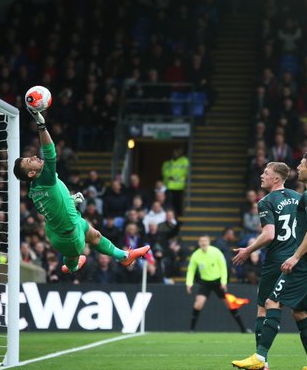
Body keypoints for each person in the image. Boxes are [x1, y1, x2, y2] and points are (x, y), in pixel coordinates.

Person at [232, 152, 307, 370]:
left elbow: (275, 233)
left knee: (269, 303)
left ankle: (260, 359)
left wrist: (250, 250)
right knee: (303, 310)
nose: (261, 176)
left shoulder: (272, 201)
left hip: (291, 259)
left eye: (266, 173)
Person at [13, 107, 150, 274]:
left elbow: (54, 205)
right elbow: (50, 151)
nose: (34, 157)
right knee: (73, 258)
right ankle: (72, 266)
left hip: (62, 226)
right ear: (32, 173)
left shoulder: (35, 187)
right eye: (29, 161)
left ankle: (124, 256)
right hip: (69, 237)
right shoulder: (45, 178)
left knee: (96, 236)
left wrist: (69, 201)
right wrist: (41, 126)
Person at [186, 235, 248, 333]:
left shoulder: (216, 252)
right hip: (205, 282)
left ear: (208, 242)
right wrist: (189, 283)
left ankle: (243, 329)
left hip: (218, 282)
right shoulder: (196, 255)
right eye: (201, 241)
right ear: (199, 243)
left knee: (230, 304)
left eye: (205, 241)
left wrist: (223, 282)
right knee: (198, 304)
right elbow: (191, 270)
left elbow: (223, 267)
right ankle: (191, 329)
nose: (203, 243)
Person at [162, 147, 188, 217]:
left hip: (180, 187)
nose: (175, 154)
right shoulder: (168, 163)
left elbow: (186, 172)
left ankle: (179, 216)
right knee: (169, 204)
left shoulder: (185, 161)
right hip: (169, 186)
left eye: (177, 152)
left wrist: (177, 177)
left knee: (178, 204)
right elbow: (164, 172)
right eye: (174, 152)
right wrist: (169, 176)